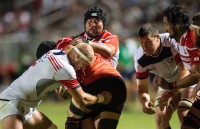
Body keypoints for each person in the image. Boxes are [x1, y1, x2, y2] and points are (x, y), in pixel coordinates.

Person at [0, 42, 112, 129]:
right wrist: (101, 98)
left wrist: (60, 86)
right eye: (85, 64)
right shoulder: (66, 69)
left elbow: (48, 73)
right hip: (12, 102)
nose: (83, 68)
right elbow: (82, 99)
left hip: (26, 105)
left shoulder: (56, 53)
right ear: (77, 57)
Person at [35, 40, 127, 129]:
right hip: (118, 84)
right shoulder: (68, 45)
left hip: (96, 81)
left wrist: (101, 98)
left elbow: (82, 99)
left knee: (73, 122)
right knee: (93, 119)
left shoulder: (61, 63)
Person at [134, 23, 194, 129]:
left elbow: (184, 70)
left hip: (190, 79)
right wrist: (145, 102)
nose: (145, 46)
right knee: (160, 117)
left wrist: (170, 93)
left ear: (157, 38)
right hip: (168, 83)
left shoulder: (170, 41)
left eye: (148, 42)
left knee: (184, 113)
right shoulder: (140, 59)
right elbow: (142, 88)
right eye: (142, 42)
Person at [154, 9, 200, 129]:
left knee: (185, 116)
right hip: (193, 84)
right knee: (164, 116)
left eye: (167, 23)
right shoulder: (180, 40)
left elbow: (196, 75)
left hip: (194, 83)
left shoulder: (191, 40)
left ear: (178, 23)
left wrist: (171, 87)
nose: (165, 27)